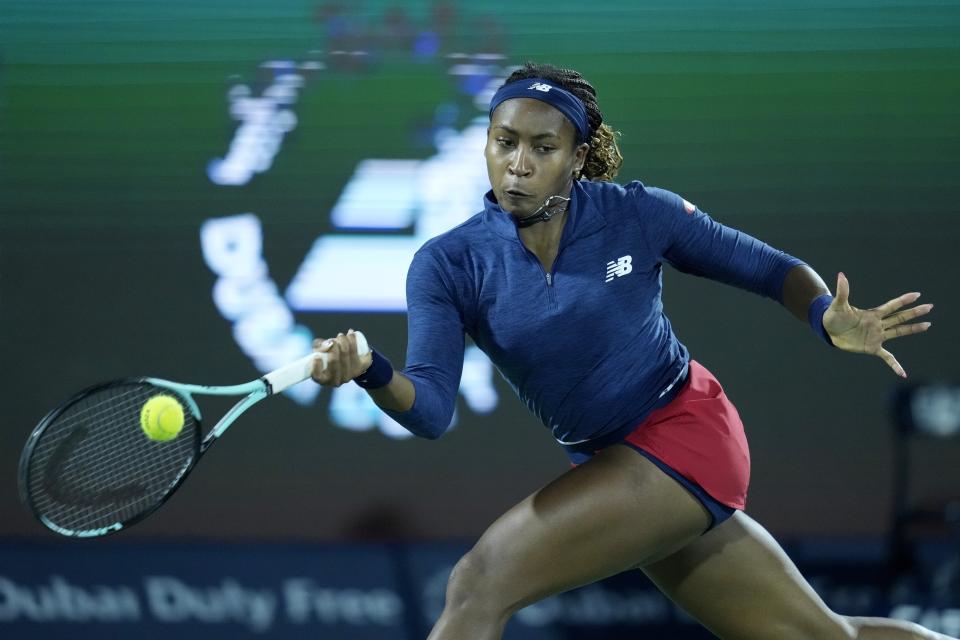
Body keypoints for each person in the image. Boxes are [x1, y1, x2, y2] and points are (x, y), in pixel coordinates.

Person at [311, 62, 948, 640]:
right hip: (611, 464)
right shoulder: (447, 264)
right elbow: (430, 411)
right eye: (504, 143)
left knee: (479, 583)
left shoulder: (638, 214)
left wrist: (822, 315)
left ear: (577, 157)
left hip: (685, 434)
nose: (518, 164)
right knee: (826, 639)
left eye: (543, 147)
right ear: (485, 143)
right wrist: (372, 371)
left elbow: (768, 267)